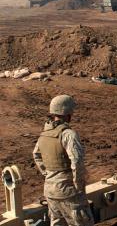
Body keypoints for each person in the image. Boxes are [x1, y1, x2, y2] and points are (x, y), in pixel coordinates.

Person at [32, 95, 94, 226]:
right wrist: (78, 186)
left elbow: (36, 155)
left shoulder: (44, 134)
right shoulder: (68, 134)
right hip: (68, 191)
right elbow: (77, 162)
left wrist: (48, 175)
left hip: (50, 190)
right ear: (68, 114)